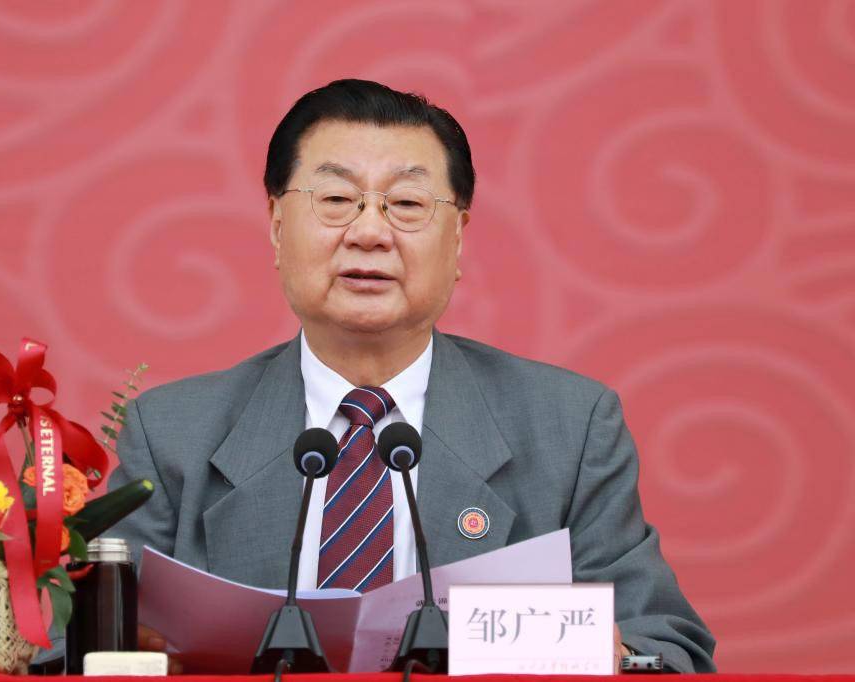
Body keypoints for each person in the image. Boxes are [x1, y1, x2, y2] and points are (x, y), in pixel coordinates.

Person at [108, 78, 716, 673]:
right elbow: (81, 645)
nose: (370, 233)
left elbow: (668, 649)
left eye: (406, 205)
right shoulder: (173, 435)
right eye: (336, 200)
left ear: (458, 239)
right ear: (276, 225)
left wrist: (611, 658)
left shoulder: (570, 429)